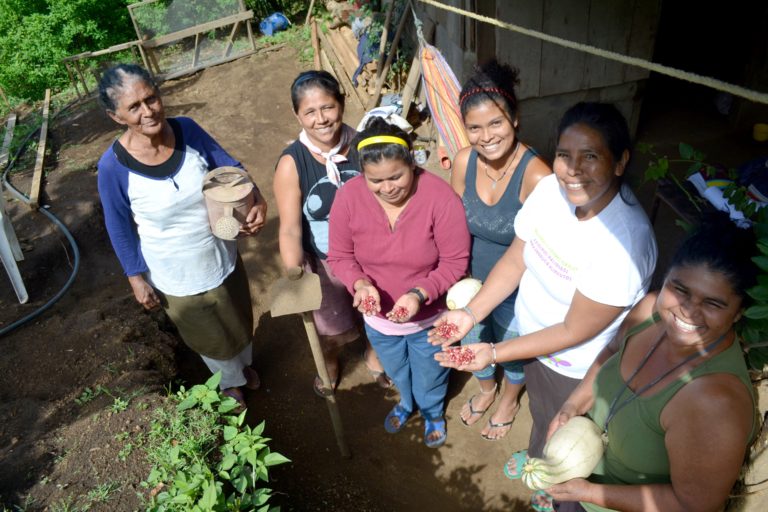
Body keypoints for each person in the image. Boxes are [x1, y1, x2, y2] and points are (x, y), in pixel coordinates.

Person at [430, 102, 657, 509]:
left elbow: (573, 331)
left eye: (591, 156)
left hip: (575, 366)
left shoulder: (625, 243)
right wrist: (470, 313)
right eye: (565, 155)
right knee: (541, 413)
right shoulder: (551, 191)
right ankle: (538, 460)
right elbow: (517, 257)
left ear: (620, 161)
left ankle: (557, 496)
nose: (573, 169)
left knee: (570, 441)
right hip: (534, 342)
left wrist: (495, 352)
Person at [545, 216, 757, 512]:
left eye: (713, 304)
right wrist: (573, 403)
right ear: (667, 276)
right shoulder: (649, 310)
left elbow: (692, 505)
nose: (688, 312)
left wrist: (590, 494)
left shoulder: (714, 402)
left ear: (738, 313)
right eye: (680, 290)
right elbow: (612, 350)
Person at [96, 64, 266, 408]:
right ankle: (230, 382)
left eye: (151, 98)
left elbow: (231, 168)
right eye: (134, 107)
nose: (148, 111)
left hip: (221, 252)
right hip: (174, 274)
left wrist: (256, 199)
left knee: (238, 317)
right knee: (208, 334)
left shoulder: (187, 131)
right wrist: (135, 276)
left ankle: (244, 367)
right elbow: (118, 225)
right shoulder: (113, 167)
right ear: (116, 117)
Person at [327, 117, 470, 448]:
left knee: (431, 374)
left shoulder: (440, 197)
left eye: (396, 176)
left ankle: (433, 411)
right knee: (397, 370)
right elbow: (340, 256)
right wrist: (360, 284)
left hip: (432, 320)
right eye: (375, 180)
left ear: (412, 163)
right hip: (379, 322)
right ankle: (407, 403)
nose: (387, 187)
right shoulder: (348, 197)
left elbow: (455, 261)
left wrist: (420, 294)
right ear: (362, 174)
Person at [450, 60, 551, 440]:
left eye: (495, 123)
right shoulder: (464, 161)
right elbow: (452, 224)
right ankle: (486, 390)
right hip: (470, 282)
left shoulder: (538, 175)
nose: (486, 136)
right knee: (473, 339)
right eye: (474, 127)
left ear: (515, 119)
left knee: (511, 347)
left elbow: (542, 250)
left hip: (520, 287)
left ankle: (509, 400)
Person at [273, 70, 390, 396]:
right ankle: (332, 360)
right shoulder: (291, 164)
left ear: (342, 103)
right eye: (310, 112)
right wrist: (295, 274)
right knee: (332, 329)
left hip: (374, 255)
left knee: (379, 315)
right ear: (297, 114)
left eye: (328, 107)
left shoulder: (364, 147)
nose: (321, 119)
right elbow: (291, 228)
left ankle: (374, 354)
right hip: (326, 264)